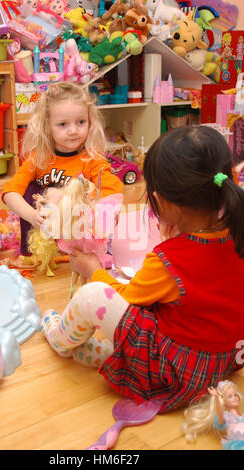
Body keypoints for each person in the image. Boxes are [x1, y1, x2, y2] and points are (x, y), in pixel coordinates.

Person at [41, 125, 244, 413]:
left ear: (161, 202)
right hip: (224, 360)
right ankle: (105, 354)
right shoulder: (236, 234)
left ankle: (59, 338)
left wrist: (94, 269)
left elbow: (128, 299)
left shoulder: (168, 259)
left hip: (178, 372)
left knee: (94, 295)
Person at [2, 81, 123, 257]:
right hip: (45, 232)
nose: (73, 131)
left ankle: (95, 247)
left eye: (81, 122)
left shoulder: (92, 159)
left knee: (103, 200)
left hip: (80, 233)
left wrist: (95, 216)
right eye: (63, 124)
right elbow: (10, 192)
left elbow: (113, 191)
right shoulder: (39, 158)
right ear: (47, 127)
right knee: (30, 190)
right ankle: (35, 252)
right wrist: (32, 215)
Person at [181, 380, 244, 449]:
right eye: (230, 396)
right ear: (223, 401)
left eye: (235, 395)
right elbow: (219, 412)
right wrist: (216, 398)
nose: (235, 398)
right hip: (239, 443)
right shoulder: (226, 417)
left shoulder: (240, 416)